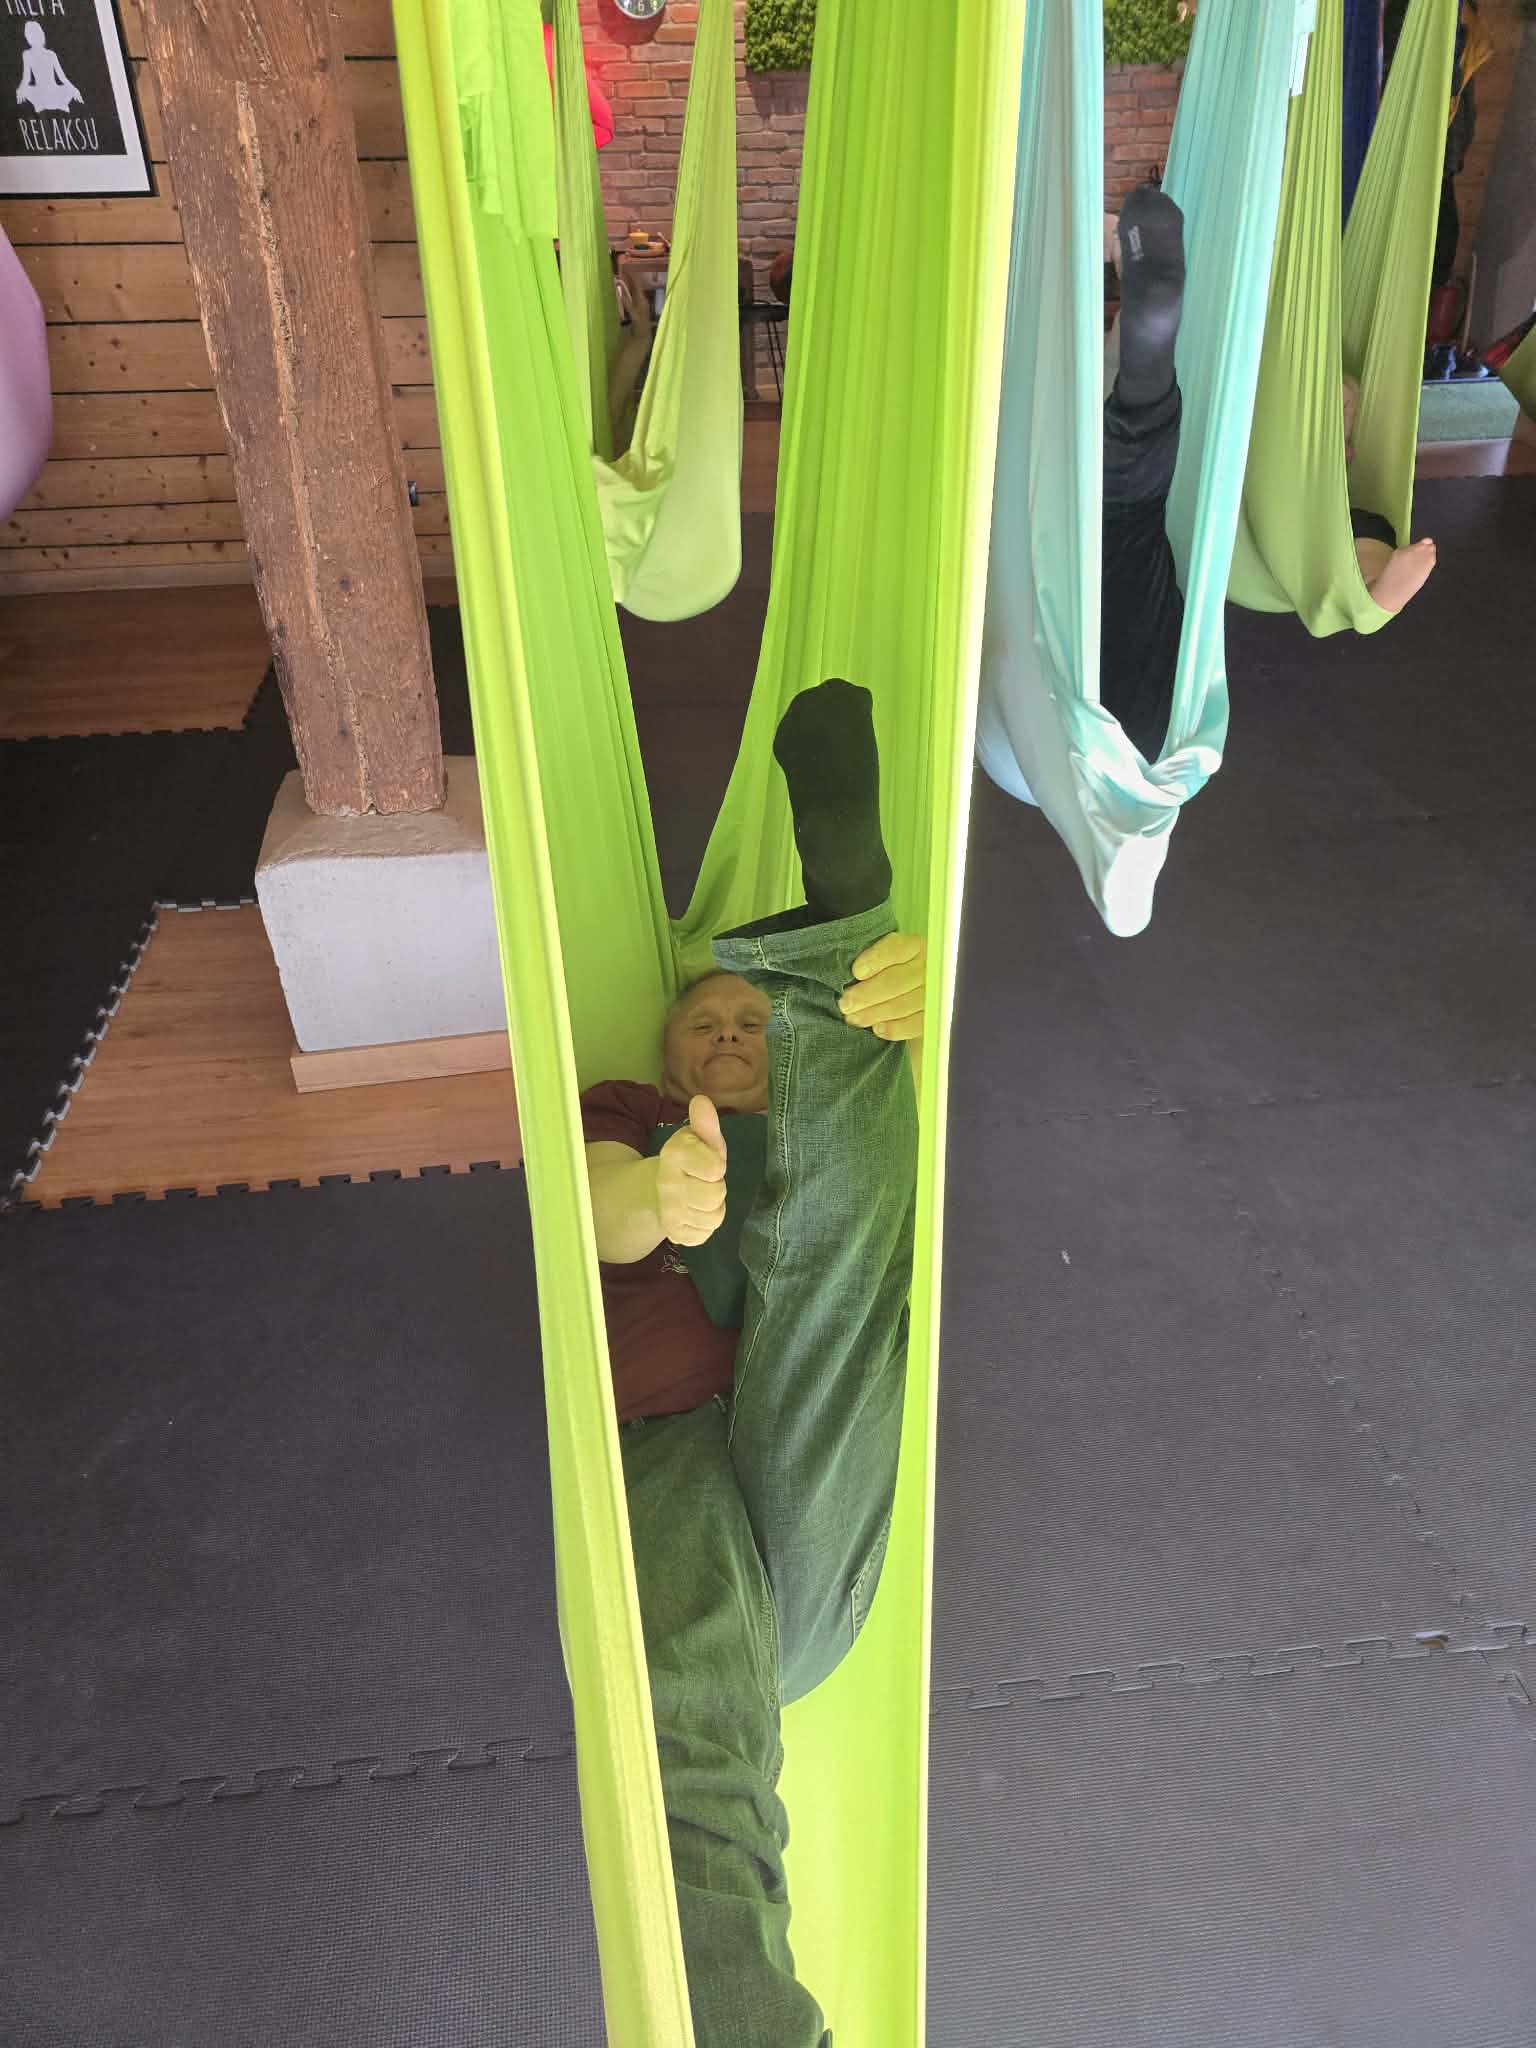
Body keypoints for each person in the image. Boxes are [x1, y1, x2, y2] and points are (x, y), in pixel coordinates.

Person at [580, 678, 926, 2046]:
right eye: (704, 1025)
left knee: (842, 1246)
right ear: (664, 1058)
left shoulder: (837, 1124)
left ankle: (843, 930)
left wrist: (871, 1027)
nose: (728, 1032)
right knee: (705, 1743)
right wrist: (656, 1194)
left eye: (748, 1019)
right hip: (742, 1534)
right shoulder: (636, 1113)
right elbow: (586, 1203)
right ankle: (841, 935)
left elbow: (855, 1252)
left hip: (752, 1455)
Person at [1099, 183, 1435, 767]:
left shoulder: (1329, 509)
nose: (1343, 415)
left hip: (1162, 493)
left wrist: (1381, 600)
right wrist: (1380, 600)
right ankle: (1139, 331)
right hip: (1158, 488)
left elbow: (1363, 572)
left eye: (1343, 416)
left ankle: (1137, 326)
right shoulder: (1265, 437)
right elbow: (1366, 572)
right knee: (1124, 509)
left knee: (1124, 497)